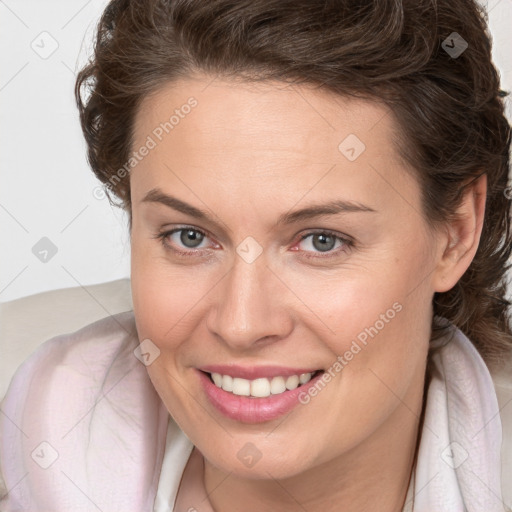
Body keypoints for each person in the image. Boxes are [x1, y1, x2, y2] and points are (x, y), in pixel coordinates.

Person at [1, 0, 511, 510]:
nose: (242, 324)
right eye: (190, 236)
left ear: (456, 233)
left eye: (321, 241)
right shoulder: (34, 446)